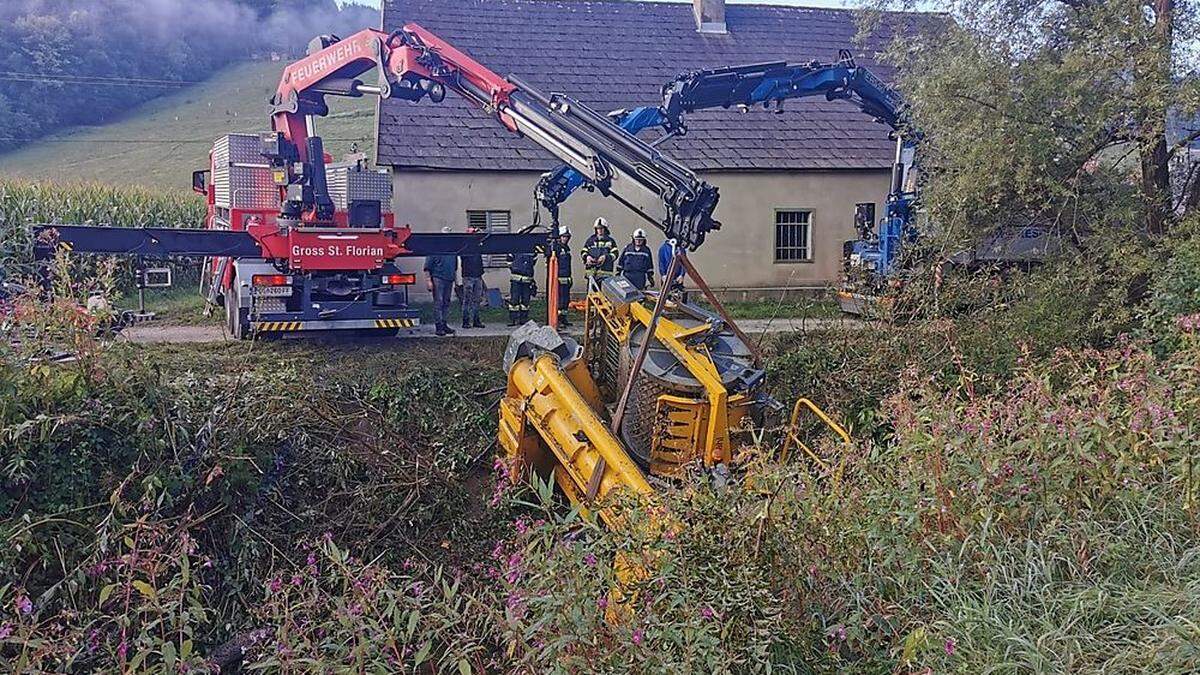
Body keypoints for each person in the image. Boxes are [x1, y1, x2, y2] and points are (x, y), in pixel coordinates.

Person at [424, 226, 458, 336]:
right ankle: (438, 326)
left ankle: (444, 324)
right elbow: (427, 267)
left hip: (449, 278)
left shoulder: (453, 250)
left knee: (446, 302)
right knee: (439, 302)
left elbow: (455, 267)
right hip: (438, 278)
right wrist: (429, 281)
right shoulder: (435, 249)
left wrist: (456, 280)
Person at [459, 223, 486, 329]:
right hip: (468, 276)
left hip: (477, 276)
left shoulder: (478, 245)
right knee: (467, 300)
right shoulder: (464, 245)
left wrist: (479, 231)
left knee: (476, 300)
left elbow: (485, 236)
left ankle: (476, 321)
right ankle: (465, 322)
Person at [582, 217, 618, 287]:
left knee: (603, 295)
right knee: (592, 294)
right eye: (598, 228)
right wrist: (587, 257)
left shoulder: (610, 241)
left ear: (605, 229)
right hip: (592, 273)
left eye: (602, 228)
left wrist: (605, 257)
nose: (600, 230)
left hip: (605, 274)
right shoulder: (590, 240)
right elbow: (584, 251)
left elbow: (615, 254)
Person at [507, 249, 538, 326]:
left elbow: (533, 262)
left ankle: (523, 319)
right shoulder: (514, 247)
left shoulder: (532, 250)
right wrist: (515, 269)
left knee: (525, 301)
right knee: (514, 300)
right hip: (516, 279)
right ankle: (513, 319)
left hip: (527, 280)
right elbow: (508, 261)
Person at [553, 226, 574, 327]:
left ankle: (564, 318)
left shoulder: (567, 249)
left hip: (567, 279)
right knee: (560, 301)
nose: (565, 238)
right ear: (560, 237)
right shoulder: (556, 248)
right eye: (563, 236)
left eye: (567, 237)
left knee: (566, 300)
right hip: (559, 279)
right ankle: (558, 320)